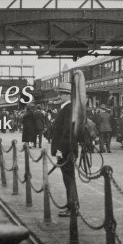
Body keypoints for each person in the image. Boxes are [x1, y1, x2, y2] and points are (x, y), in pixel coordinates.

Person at [50, 82, 79, 217]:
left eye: (62, 93)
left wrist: (60, 149)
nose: (59, 96)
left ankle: (72, 207)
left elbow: (67, 131)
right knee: (68, 179)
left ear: (68, 95)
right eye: (59, 93)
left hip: (66, 150)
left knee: (69, 179)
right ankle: (72, 205)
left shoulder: (68, 109)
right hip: (67, 149)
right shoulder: (67, 108)